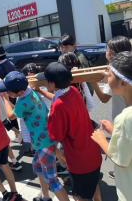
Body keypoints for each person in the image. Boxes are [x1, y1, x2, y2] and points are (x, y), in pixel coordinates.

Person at [0, 71, 70, 201]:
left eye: (8, 91)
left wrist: (5, 99)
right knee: (38, 166)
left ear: (18, 93)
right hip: (44, 138)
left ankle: (53, 194)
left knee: (53, 180)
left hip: (44, 143)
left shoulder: (23, 101)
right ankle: (45, 196)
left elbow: (11, 115)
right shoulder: (29, 91)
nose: (6, 92)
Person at [39, 62, 102, 201]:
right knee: (93, 186)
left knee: (79, 195)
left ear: (52, 84)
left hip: (79, 160)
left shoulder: (58, 106)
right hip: (93, 151)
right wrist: (42, 91)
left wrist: (58, 155)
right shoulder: (74, 91)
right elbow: (59, 100)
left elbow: (56, 135)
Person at [91, 51, 132, 201]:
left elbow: (120, 159)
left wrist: (102, 140)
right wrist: (114, 130)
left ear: (123, 82)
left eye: (110, 75)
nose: (107, 78)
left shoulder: (125, 117)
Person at [0, 44, 22, 143]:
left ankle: (19, 135)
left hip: (5, 94)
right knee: (13, 114)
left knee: (6, 116)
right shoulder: (11, 63)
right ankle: (19, 135)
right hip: (15, 92)